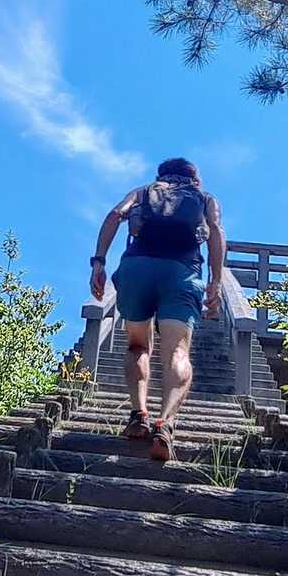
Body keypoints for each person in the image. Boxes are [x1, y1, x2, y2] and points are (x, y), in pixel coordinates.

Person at [88, 157, 227, 462]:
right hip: (182, 271)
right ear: (195, 180)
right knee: (177, 351)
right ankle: (164, 423)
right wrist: (215, 281)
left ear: (161, 176)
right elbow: (215, 230)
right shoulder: (205, 198)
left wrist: (99, 262)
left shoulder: (144, 191)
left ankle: (139, 415)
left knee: (138, 345)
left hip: (136, 268)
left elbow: (114, 215)